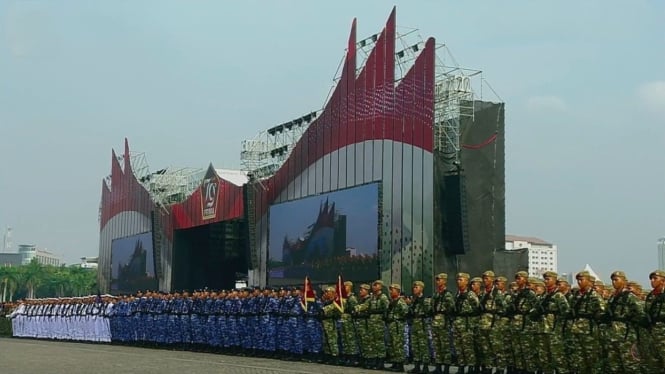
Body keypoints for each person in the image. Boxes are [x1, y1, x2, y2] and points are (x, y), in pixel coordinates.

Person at [452, 273, 480, 374]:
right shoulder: (458, 294)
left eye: (461, 280)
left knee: (468, 347)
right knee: (458, 346)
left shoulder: (470, 294)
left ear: (466, 281)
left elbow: (476, 307)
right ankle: (461, 367)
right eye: (458, 280)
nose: (458, 281)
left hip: (467, 323)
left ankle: (471, 367)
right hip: (457, 322)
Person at [430, 273, 455, 374]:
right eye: (437, 280)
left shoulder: (447, 294)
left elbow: (451, 308)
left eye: (440, 280)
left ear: (444, 281)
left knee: (445, 345)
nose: (438, 282)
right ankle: (438, 366)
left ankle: (446, 368)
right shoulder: (436, 294)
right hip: (436, 321)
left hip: (444, 321)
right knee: (437, 345)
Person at [408, 280, 431, 373]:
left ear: (421, 288)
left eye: (416, 287)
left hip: (422, 324)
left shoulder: (425, 300)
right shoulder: (414, 300)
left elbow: (428, 311)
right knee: (415, 346)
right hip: (414, 324)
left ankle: (425, 367)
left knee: (423, 346)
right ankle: (417, 365)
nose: (414, 289)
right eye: (414, 287)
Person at [385, 284, 408, 372]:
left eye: (393, 290)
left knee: (397, 344)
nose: (391, 292)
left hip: (397, 325)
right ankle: (394, 362)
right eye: (390, 290)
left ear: (397, 291)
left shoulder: (400, 301)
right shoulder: (391, 301)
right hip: (391, 324)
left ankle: (400, 364)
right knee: (391, 344)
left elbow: (405, 312)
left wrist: (398, 318)